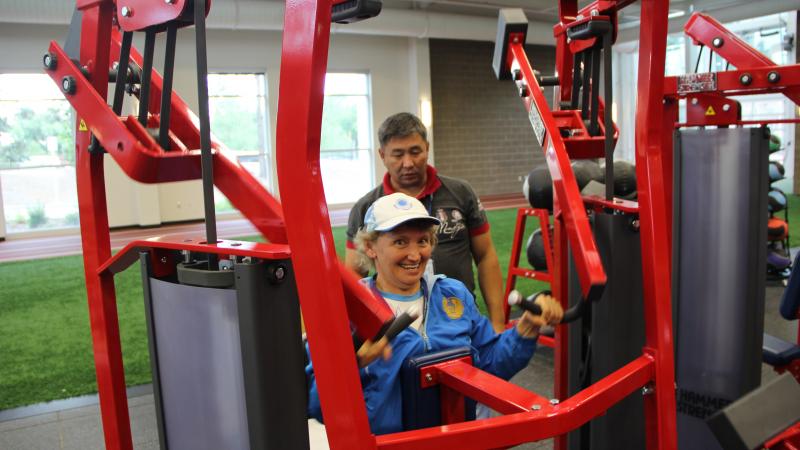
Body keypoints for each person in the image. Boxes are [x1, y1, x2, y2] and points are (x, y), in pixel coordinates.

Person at [307, 193, 563, 434]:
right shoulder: (348, 309)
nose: (415, 254)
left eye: (422, 241)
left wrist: (525, 330)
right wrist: (347, 368)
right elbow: (317, 407)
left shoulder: (453, 295)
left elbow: (488, 367)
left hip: (453, 440)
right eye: (400, 242)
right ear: (371, 247)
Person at [345, 112, 507, 333]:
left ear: (427, 148)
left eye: (415, 152)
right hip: (396, 331)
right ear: (382, 155)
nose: (408, 163)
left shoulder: (460, 193)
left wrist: (497, 322)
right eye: (398, 154)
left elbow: (486, 256)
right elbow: (354, 275)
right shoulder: (366, 208)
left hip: (459, 319)